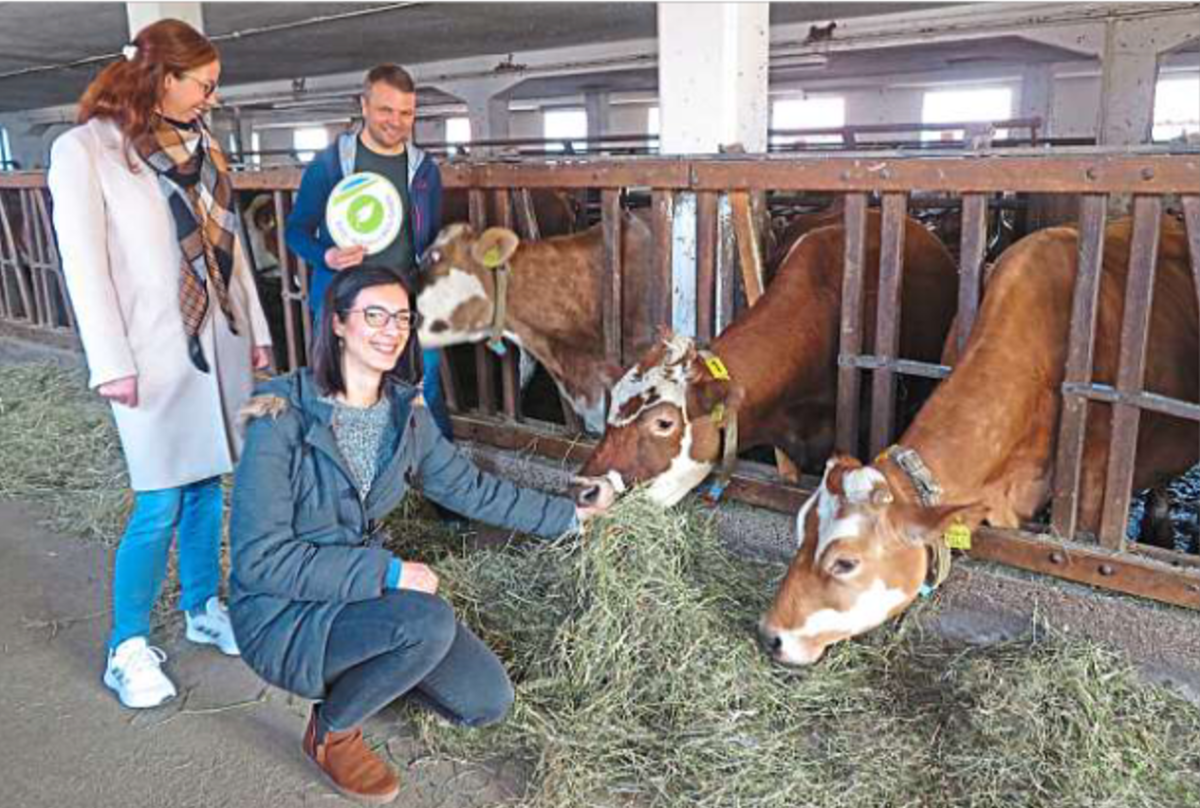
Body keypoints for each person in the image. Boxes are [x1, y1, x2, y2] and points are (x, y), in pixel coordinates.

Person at [228, 267, 609, 804]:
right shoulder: (280, 416)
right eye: (374, 316)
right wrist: (388, 572)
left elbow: (468, 487)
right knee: (426, 622)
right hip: (285, 613)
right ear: (337, 324)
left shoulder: (405, 412)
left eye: (402, 318)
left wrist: (568, 518)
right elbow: (259, 562)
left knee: (484, 701)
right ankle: (332, 730)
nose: (391, 330)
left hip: (357, 596)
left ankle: (369, 671)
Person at [47, 19, 273, 710]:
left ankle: (204, 606)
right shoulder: (84, 150)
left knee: (208, 485)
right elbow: (84, 265)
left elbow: (229, 252)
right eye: (203, 84)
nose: (211, 97)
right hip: (148, 354)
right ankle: (126, 645)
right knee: (159, 499)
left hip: (218, 343)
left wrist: (258, 331)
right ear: (163, 77)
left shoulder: (204, 147)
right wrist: (109, 360)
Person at [284, 64, 454, 443]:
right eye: (385, 110)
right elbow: (295, 230)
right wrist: (325, 256)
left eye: (406, 113)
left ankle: (439, 482)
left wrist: (441, 260)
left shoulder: (425, 170)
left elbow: (429, 236)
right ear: (364, 106)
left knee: (425, 389)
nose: (396, 122)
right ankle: (351, 478)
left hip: (408, 301)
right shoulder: (329, 166)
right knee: (343, 392)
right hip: (345, 301)